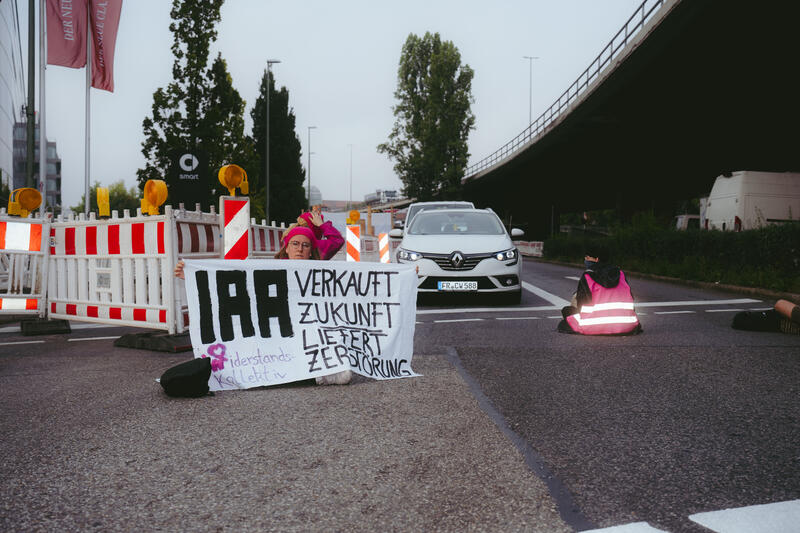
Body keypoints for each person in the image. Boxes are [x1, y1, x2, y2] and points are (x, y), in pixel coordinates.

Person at [174, 215, 352, 385]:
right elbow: (233, 285)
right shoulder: (270, 270)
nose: (300, 249)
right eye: (295, 244)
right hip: (277, 335)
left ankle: (304, 371)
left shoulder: (319, 272)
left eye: (305, 245)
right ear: (287, 248)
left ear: (311, 251)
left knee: (343, 375)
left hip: (307, 334)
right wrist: (192, 277)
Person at [557, 246, 642, 335]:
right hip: (627, 325)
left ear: (597, 259)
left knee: (566, 318)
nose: (585, 259)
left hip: (594, 325)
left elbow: (581, 303)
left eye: (587, 257)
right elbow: (630, 298)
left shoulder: (588, 276)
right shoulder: (620, 274)